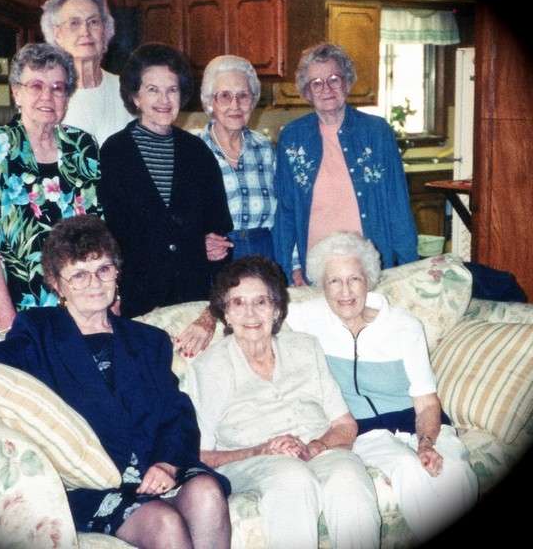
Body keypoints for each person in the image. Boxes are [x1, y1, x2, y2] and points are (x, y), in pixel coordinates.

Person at [0, 215, 231, 549]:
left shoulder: (149, 340)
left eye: (103, 269)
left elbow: (176, 413)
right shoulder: (40, 332)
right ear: (57, 285)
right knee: (164, 523)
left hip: (158, 466)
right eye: (78, 275)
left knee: (207, 492)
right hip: (95, 483)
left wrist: (166, 464)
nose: (94, 283)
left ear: (117, 273)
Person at [287, 231, 478, 544]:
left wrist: (426, 443)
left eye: (354, 279)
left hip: (419, 422)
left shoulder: (404, 326)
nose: (345, 291)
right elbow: (253, 307)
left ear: (369, 280)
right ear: (322, 285)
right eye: (334, 281)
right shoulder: (308, 317)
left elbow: (427, 402)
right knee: (407, 468)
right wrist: (207, 320)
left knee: (454, 471)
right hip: (363, 431)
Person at [183, 255, 381, 549]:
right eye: (238, 303)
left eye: (261, 302)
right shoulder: (208, 369)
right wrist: (261, 450)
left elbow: (344, 425)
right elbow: (199, 454)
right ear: (226, 314)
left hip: (317, 450)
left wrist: (314, 446)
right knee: (292, 478)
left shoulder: (305, 347)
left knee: (348, 476)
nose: (251, 313)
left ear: (276, 310)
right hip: (250, 462)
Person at [0, 42, 101, 333]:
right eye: (36, 86)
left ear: (67, 96)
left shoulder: (83, 146)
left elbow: (98, 231)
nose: (47, 96)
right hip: (13, 303)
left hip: (80, 303)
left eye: (57, 88)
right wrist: (9, 323)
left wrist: (108, 298)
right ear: (17, 92)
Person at [99, 42, 233, 318]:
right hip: (136, 298)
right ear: (135, 97)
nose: (164, 100)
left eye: (172, 90)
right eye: (153, 90)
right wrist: (113, 293)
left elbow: (218, 230)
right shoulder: (114, 152)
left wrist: (213, 247)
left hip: (192, 297)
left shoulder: (197, 152)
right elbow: (107, 233)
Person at [273, 42, 417, 287]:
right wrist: (287, 268)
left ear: (347, 82)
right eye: (316, 83)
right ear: (307, 92)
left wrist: (408, 271)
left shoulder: (377, 132)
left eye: (334, 79)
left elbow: (398, 206)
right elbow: (285, 212)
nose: (326, 89)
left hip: (369, 266)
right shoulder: (292, 137)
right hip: (316, 269)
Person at [176, 54, 277, 358]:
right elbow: (175, 217)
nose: (235, 105)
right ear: (210, 102)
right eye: (224, 96)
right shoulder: (190, 150)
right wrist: (196, 243)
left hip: (265, 255)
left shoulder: (266, 149)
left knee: (265, 341)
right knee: (222, 344)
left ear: (253, 100)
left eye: (243, 95)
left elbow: (285, 212)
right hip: (217, 258)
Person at [41, 0, 133, 146]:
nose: (85, 31)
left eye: (93, 22)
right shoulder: (44, 97)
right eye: (74, 23)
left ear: (105, 30)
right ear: (58, 34)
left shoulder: (129, 89)